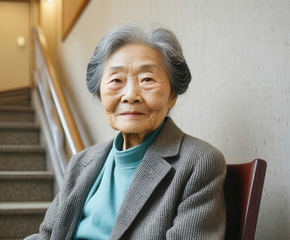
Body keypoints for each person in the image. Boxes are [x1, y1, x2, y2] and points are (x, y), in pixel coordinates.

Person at [25, 23, 226, 240]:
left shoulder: (199, 163)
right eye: (116, 80)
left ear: (173, 95)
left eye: (147, 79)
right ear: (100, 92)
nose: (131, 95)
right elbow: (46, 236)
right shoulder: (81, 164)